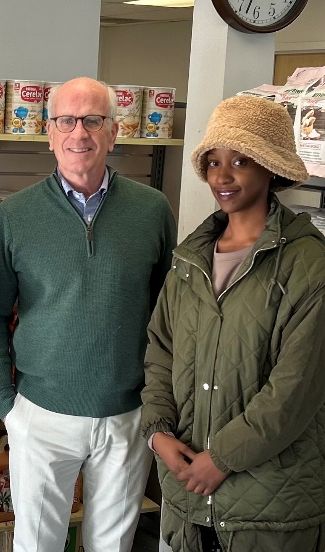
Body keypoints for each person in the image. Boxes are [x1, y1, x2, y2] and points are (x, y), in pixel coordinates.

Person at [0, 77, 176, 552]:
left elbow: (168, 315)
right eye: (66, 120)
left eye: (92, 120)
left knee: (113, 544)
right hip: (40, 414)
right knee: (37, 543)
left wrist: (156, 401)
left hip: (126, 415)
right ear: (49, 132)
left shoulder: (153, 210)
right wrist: (8, 407)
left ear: (113, 131)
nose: (79, 133)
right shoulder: (16, 215)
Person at [141, 95, 325, 552]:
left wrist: (221, 458)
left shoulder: (308, 264)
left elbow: (294, 391)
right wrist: (158, 432)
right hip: (189, 497)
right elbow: (161, 352)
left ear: (270, 168)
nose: (222, 177)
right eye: (214, 162)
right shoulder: (190, 258)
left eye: (241, 161)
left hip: (269, 506)